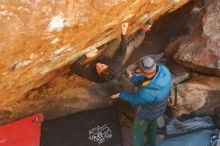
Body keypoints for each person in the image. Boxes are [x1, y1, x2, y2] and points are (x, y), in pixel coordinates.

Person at [111, 56, 171, 146]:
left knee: (137, 132)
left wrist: (121, 94)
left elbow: (135, 99)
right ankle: (153, 143)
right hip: (160, 109)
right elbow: (146, 78)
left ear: (143, 71)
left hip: (146, 114)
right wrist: (132, 78)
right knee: (153, 127)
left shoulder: (146, 92)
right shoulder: (164, 70)